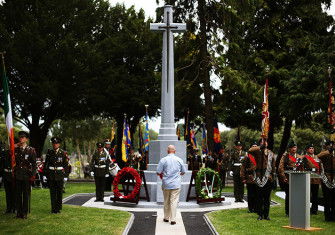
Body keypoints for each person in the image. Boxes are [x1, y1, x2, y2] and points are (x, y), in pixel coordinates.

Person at [157, 145, 186, 225]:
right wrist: (178, 174)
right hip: (176, 184)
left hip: (166, 183)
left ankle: (166, 217)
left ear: (167, 151)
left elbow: (158, 172)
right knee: (174, 201)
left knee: (166, 201)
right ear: (175, 151)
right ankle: (173, 219)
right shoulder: (179, 160)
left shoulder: (163, 160)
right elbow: (183, 171)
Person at [248, 140, 276, 220]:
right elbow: (250, 150)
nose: (265, 143)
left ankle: (266, 215)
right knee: (259, 197)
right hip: (259, 177)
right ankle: (260, 214)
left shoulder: (271, 153)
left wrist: (273, 177)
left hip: (268, 177)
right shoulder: (257, 152)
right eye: (263, 142)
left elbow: (273, 166)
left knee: (267, 198)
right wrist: (260, 147)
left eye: (266, 142)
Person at [14, 131, 36, 219]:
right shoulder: (16, 149)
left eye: (23, 137)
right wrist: (14, 146)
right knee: (18, 194)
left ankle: (24, 212)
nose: (21, 139)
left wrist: (33, 175)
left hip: (27, 175)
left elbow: (34, 164)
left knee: (26, 194)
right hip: (18, 174)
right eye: (20, 137)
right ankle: (18, 212)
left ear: (26, 139)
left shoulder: (31, 150)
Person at [44, 137, 69, 213]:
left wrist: (65, 176)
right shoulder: (49, 152)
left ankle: (58, 208)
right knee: (52, 192)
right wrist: (45, 174)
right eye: (53, 143)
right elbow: (46, 164)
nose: (55, 145)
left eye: (56, 143)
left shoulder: (63, 153)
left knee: (59, 192)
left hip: (59, 175)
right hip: (51, 175)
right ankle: (53, 208)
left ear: (59, 144)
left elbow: (66, 165)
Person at [278, 140, 303, 216]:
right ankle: (288, 212)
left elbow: (302, 168)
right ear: (289, 148)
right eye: (292, 147)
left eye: (295, 147)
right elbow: (280, 167)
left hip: (297, 178)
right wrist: (283, 177)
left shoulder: (299, 157)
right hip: (288, 178)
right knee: (289, 195)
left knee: (297, 195)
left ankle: (296, 210)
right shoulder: (285, 156)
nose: (294, 149)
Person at [317, 140, 335, 221]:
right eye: (330, 145)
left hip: (334, 177)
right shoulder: (324, 153)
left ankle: (333, 216)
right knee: (327, 199)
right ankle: (327, 217)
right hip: (326, 177)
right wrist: (329, 151)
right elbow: (318, 156)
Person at [303, 144, 321, 215]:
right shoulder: (305, 157)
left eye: (312, 148)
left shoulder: (317, 157)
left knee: (315, 195)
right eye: (310, 148)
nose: (311, 149)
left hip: (316, 178)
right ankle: (307, 209)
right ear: (307, 150)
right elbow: (304, 167)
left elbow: (319, 166)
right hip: (308, 178)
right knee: (307, 195)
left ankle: (314, 210)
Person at [241, 142, 258, 213]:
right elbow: (243, 168)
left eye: (256, 146)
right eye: (253, 146)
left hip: (258, 178)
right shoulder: (247, 157)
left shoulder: (259, 156)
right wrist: (243, 178)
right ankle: (251, 208)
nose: (254, 147)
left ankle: (257, 208)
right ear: (250, 148)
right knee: (250, 194)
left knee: (257, 194)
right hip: (249, 178)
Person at [0, 142, 16, 214]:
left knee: (14, 192)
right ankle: (8, 208)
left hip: (13, 175)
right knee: (8, 193)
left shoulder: (16, 152)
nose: (10, 146)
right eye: (10, 144)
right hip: (6, 174)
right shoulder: (4, 153)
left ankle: (15, 208)